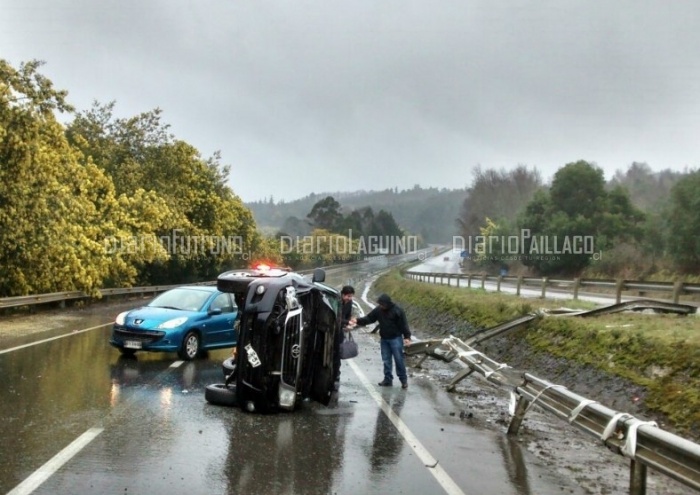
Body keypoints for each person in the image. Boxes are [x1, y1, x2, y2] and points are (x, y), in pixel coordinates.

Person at [352, 293, 411, 389]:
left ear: (387, 303)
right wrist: (357, 321)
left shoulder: (397, 311)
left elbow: (403, 324)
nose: (381, 306)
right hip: (384, 339)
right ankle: (388, 379)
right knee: (386, 360)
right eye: (380, 304)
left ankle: (403, 380)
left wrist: (407, 337)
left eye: (382, 304)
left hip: (396, 339)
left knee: (399, 360)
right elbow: (369, 318)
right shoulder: (378, 310)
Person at [333, 285, 356, 391]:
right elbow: (336, 317)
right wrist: (347, 322)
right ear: (343, 295)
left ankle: (336, 373)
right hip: (332, 330)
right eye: (348, 296)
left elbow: (347, 316)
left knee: (338, 352)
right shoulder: (336, 301)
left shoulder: (349, 303)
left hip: (340, 331)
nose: (349, 298)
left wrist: (347, 325)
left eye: (351, 296)